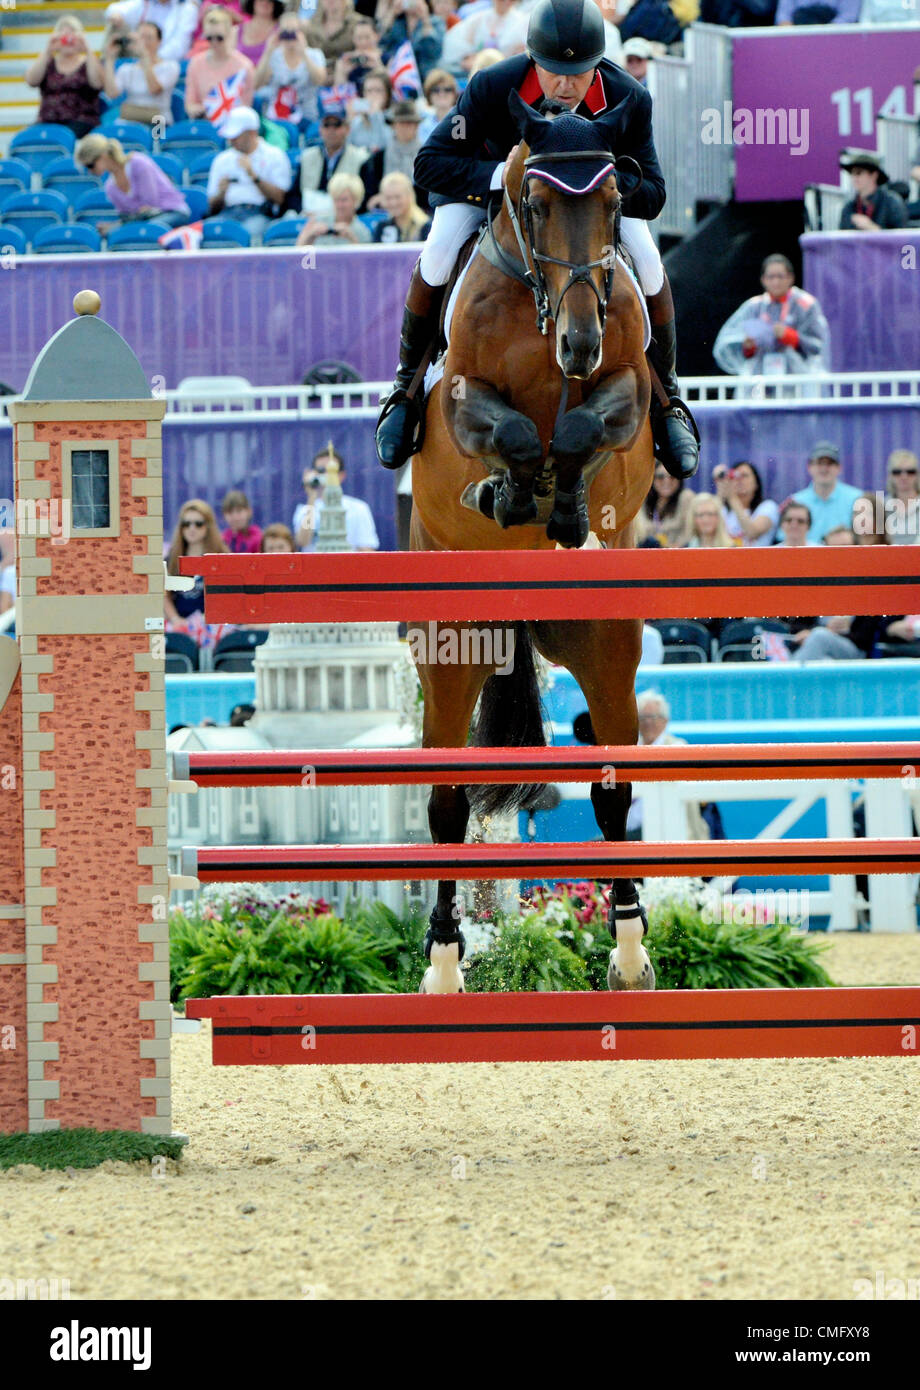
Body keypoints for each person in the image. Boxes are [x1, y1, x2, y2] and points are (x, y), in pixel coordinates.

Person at [376, 0, 700, 480]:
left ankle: (668, 399)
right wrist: (506, 176)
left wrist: (598, 184)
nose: (566, 85)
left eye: (579, 72)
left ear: (598, 64)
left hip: (587, 210)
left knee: (650, 262)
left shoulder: (629, 97)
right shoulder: (492, 86)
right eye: (553, 72)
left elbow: (652, 193)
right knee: (438, 256)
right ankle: (404, 391)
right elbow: (429, 165)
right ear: (533, 60)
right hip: (487, 196)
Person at [712, 254, 830, 379]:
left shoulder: (806, 304)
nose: (776, 281)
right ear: (763, 280)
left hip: (797, 380)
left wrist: (790, 336)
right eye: (771, 277)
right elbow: (733, 347)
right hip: (761, 380)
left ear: (790, 278)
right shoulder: (753, 307)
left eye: (780, 276)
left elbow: (818, 346)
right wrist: (748, 346)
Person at [625, 690, 710, 841]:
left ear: (665, 720)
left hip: (665, 830)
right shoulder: (629, 748)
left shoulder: (678, 747)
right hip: (629, 831)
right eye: (642, 717)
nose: (647, 722)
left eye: (653, 717)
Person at [206, 104, 292, 241]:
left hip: (259, 213)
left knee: (248, 234)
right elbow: (211, 205)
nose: (231, 141)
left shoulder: (275, 155)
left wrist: (254, 176)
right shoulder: (222, 159)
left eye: (236, 136)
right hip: (226, 213)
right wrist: (221, 193)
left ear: (252, 133)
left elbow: (280, 199)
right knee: (208, 233)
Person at [76, 132, 191, 232]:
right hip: (147, 221)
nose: (90, 171)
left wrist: (120, 224)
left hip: (173, 212)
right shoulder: (110, 187)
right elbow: (129, 216)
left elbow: (150, 205)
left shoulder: (138, 163)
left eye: (90, 165)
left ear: (103, 156)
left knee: (150, 229)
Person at [164, 500, 232, 648]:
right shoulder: (172, 558)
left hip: (213, 623)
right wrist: (175, 619)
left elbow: (229, 595)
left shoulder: (221, 556)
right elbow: (163, 595)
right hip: (180, 624)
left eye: (198, 523)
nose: (191, 528)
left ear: (208, 526)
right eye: (186, 524)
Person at [26, 16, 105, 139]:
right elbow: (31, 81)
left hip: (81, 121)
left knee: (63, 137)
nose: (68, 39)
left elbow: (97, 83)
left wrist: (87, 49)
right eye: (63, 34)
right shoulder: (49, 63)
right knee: (27, 138)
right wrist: (48, 50)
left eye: (72, 34)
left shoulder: (88, 63)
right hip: (48, 120)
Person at [292, 447, 380, 550]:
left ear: (341, 475)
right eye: (321, 470)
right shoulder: (306, 510)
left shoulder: (358, 508)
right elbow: (303, 541)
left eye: (331, 471)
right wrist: (311, 496)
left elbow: (366, 548)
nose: (326, 474)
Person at [185, 5, 256, 128]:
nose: (214, 42)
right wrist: (200, 110)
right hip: (205, 125)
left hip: (234, 126)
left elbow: (245, 107)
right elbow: (190, 104)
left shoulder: (244, 66)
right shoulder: (196, 63)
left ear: (229, 34)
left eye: (219, 38)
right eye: (209, 38)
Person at [253, 16, 329, 125]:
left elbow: (320, 80)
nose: (289, 37)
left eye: (293, 33)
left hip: (306, 115)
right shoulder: (274, 56)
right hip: (277, 115)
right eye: (285, 33)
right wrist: (267, 52)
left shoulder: (315, 54)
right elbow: (257, 84)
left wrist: (303, 53)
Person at [298, 98, 369, 214]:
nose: (331, 130)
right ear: (320, 129)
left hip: (344, 217)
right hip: (308, 215)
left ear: (347, 129)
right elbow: (294, 195)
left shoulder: (361, 158)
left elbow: (364, 199)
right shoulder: (307, 157)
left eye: (337, 125)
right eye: (327, 125)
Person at [102, 20, 180, 126]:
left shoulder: (170, 66)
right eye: (140, 38)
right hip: (130, 118)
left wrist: (144, 57)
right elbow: (111, 94)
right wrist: (110, 59)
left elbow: (155, 89)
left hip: (159, 120)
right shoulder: (126, 69)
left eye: (149, 38)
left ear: (159, 41)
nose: (144, 42)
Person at [787, 442, 862, 544]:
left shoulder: (857, 499)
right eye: (819, 463)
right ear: (809, 467)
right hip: (807, 558)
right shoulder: (795, 501)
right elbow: (786, 540)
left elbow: (865, 540)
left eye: (829, 463)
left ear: (839, 468)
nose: (824, 468)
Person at [360, 97, 427, 206]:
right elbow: (369, 195)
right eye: (401, 123)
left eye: (409, 123)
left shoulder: (427, 157)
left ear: (416, 126)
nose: (405, 127)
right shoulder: (377, 160)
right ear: (393, 125)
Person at [440, 0, 528, 75]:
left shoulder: (522, 21)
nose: (507, 1)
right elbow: (459, 49)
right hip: (478, 73)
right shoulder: (477, 19)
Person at [104, 0, 199, 63]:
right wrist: (117, 16)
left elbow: (179, 46)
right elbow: (114, 9)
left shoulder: (187, 8)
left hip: (166, 61)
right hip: (139, 55)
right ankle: (108, 67)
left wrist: (152, 59)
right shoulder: (144, 2)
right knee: (115, 26)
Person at [713, 460, 779, 546]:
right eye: (735, 476)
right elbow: (707, 529)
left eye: (744, 475)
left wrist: (732, 498)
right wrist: (720, 487)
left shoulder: (768, 507)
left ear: (756, 483)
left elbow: (752, 533)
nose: (739, 480)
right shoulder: (725, 510)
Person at [839, 150, 908, 232]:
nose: (854, 178)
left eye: (858, 173)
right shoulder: (848, 208)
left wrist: (872, 228)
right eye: (852, 174)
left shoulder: (892, 203)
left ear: (874, 175)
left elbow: (903, 239)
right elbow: (842, 240)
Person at [379, 0, 446, 83]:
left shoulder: (435, 21)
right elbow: (381, 43)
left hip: (425, 72)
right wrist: (392, 14)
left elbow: (434, 51)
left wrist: (425, 19)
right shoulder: (397, 23)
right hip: (399, 72)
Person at [296, 170, 372, 242]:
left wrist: (351, 237)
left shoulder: (362, 231)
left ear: (356, 200)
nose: (339, 205)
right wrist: (310, 235)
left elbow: (364, 255)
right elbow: (297, 251)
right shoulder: (317, 221)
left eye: (344, 200)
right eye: (336, 199)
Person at [633, 465, 694, 546]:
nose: (666, 481)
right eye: (660, 477)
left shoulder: (686, 498)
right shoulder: (643, 500)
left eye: (672, 476)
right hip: (647, 553)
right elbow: (638, 535)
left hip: (678, 554)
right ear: (652, 478)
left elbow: (689, 534)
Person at [348, 66, 394, 150]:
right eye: (369, 91)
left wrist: (376, 115)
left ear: (387, 94)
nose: (373, 95)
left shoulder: (393, 117)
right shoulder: (357, 121)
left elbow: (386, 145)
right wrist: (350, 121)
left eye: (378, 90)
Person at [304, 0, 359, 68]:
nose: (330, 1)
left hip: (346, 71)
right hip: (316, 72)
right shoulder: (312, 23)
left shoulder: (357, 24)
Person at [882, 449, 920, 546]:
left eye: (910, 471)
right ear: (890, 475)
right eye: (897, 472)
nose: (904, 476)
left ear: (917, 475)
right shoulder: (881, 506)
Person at [236, 0, 284, 68]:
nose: (264, 2)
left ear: (275, 4)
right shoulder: (237, 30)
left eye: (269, 1)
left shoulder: (281, 32)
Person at [417, 65, 459, 142]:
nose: (441, 94)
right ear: (428, 94)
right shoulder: (421, 123)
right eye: (436, 90)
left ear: (454, 94)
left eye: (447, 89)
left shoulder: (463, 120)